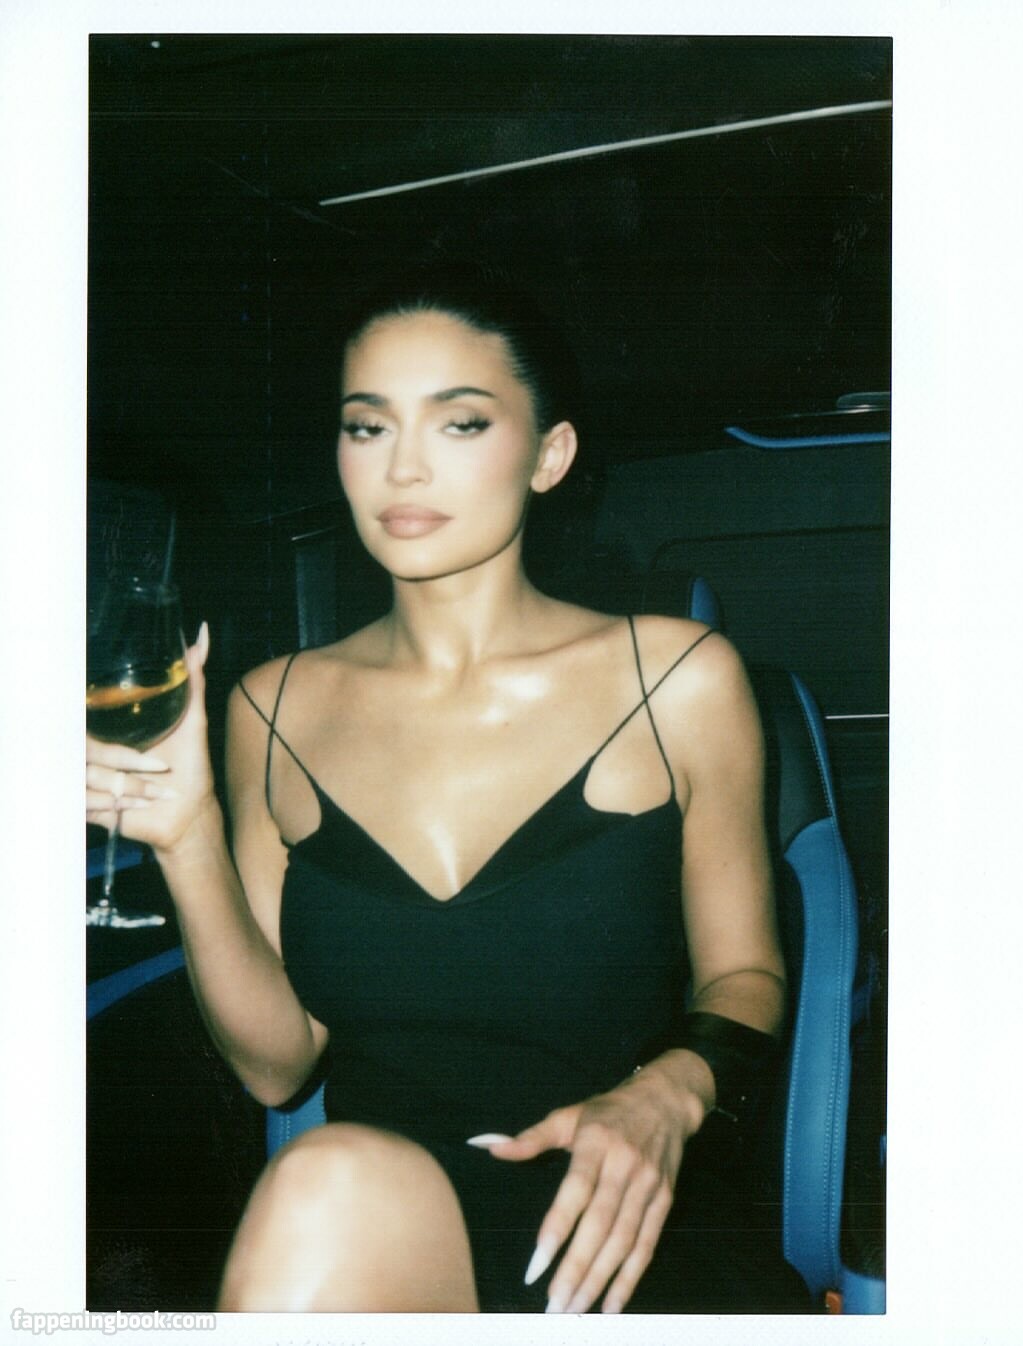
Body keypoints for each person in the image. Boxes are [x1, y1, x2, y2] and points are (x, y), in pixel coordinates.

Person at [85, 268, 810, 1314]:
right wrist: (187, 833)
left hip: (624, 1221)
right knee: (322, 1181)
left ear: (550, 456)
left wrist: (668, 1092)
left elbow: (745, 970)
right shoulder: (269, 707)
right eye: (368, 426)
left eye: (460, 422)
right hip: (377, 1225)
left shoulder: (677, 678)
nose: (405, 465)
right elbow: (278, 1066)